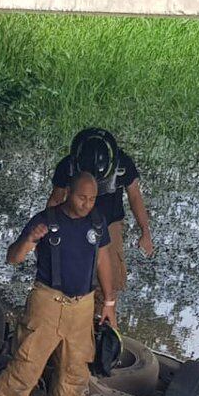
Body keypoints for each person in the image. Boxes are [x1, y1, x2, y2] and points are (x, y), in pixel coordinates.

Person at [0, 172, 116, 396]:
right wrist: (30, 239)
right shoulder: (45, 220)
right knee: (27, 365)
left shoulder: (97, 222)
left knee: (75, 368)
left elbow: (103, 259)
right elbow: (13, 257)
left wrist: (109, 303)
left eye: (92, 199)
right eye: (82, 197)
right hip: (47, 302)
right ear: (68, 192)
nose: (86, 204)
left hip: (83, 306)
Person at [47, 128, 153, 314]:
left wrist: (145, 232)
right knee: (72, 276)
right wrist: (47, 231)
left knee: (110, 279)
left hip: (109, 223)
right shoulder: (68, 165)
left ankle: (106, 318)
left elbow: (135, 196)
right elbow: (56, 200)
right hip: (75, 222)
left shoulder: (123, 164)